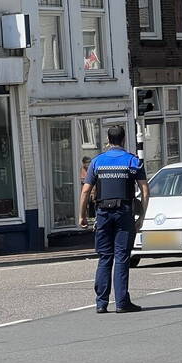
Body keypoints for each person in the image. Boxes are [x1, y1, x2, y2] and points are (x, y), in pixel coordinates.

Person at [79, 125, 149, 314]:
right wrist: (142, 216)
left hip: (103, 213)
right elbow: (144, 190)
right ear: (124, 139)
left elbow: (86, 190)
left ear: (108, 140)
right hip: (124, 214)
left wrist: (82, 215)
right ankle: (121, 303)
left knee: (104, 258)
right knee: (122, 258)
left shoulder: (97, 162)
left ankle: (101, 303)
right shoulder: (133, 161)